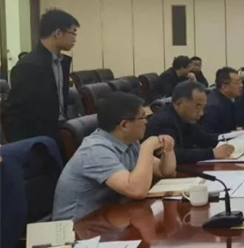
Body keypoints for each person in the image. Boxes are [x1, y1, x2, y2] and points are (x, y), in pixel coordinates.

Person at [52, 92, 177, 221]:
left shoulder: (129, 141)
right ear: (124, 125)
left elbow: (165, 172)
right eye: (142, 117)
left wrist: (168, 147)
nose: (146, 122)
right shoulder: (96, 151)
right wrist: (147, 147)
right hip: (77, 226)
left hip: (109, 217)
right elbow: (137, 190)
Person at [4, 9, 78, 142]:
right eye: (73, 33)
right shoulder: (28, 66)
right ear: (58, 33)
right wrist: (25, 147)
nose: (75, 39)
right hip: (38, 138)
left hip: (60, 131)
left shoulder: (62, 62)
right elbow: (15, 113)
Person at [145, 81, 234, 164]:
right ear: (179, 104)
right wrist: (212, 153)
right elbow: (173, 154)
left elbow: (204, 139)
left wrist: (232, 139)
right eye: (197, 106)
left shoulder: (186, 118)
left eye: (203, 108)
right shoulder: (164, 121)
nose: (201, 113)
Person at [201, 67, 242, 136]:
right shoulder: (213, 107)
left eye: (241, 82)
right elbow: (209, 135)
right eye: (237, 83)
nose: (241, 85)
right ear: (225, 87)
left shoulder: (228, 99)